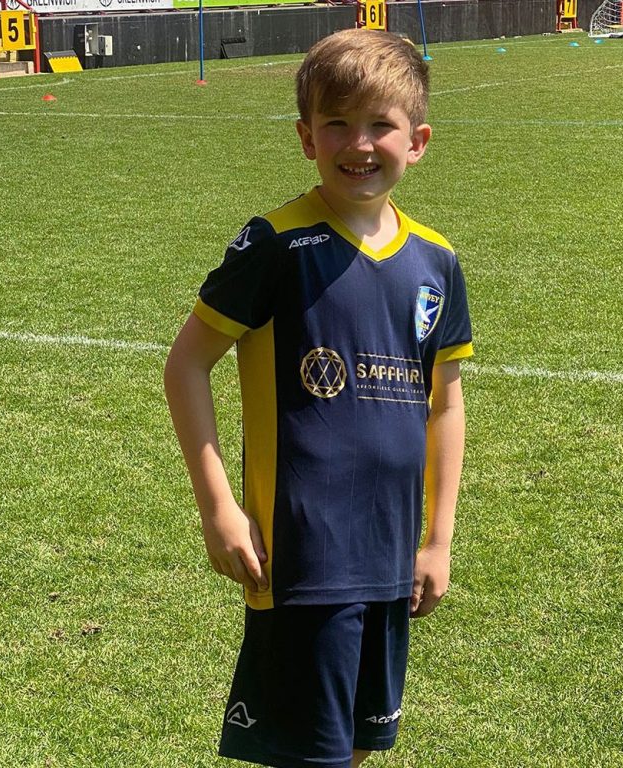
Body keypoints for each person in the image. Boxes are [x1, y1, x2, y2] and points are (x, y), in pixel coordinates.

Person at [164, 28, 473, 768]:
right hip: (305, 554)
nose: (358, 143)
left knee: (363, 744)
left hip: (391, 550)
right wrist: (219, 509)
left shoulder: (436, 261)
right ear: (306, 137)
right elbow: (186, 365)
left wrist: (437, 539)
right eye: (336, 122)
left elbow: (446, 403)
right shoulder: (275, 242)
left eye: (380, 124)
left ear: (418, 139)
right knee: (312, 755)